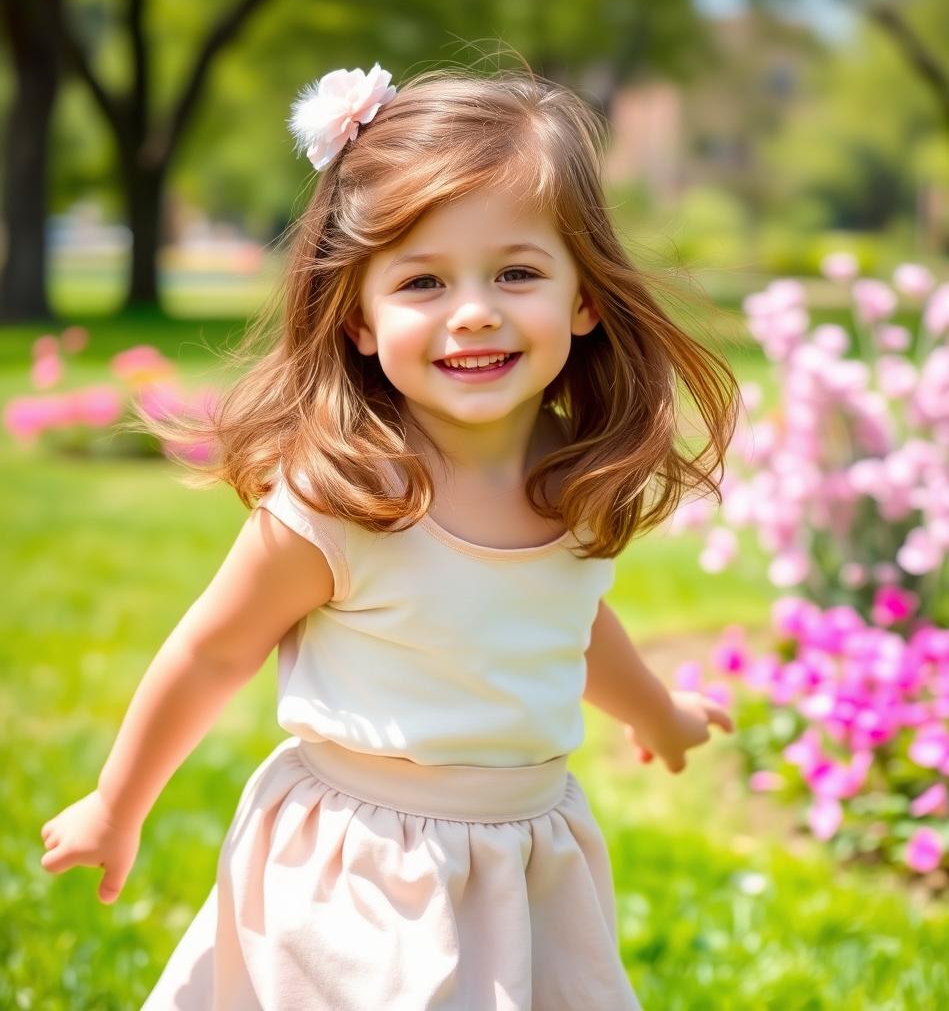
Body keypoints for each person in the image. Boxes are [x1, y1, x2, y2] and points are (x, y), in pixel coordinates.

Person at [39, 60, 738, 1010]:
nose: (476, 310)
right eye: (422, 281)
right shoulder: (343, 502)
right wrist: (115, 809)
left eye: (517, 272)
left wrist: (659, 716)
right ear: (360, 318)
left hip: (525, 856)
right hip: (360, 874)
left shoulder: (571, 478)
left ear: (583, 299)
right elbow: (210, 653)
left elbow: (569, 626)